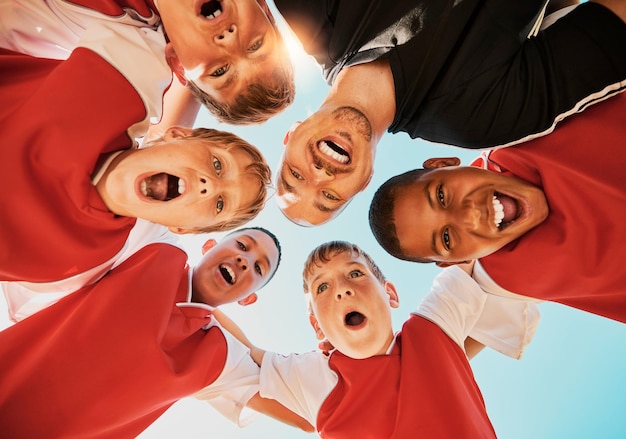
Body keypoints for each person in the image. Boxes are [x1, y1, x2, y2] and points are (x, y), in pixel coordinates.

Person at [272, 0, 626, 225]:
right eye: (329, 197)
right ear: (364, 181)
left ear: (291, 132)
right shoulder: (480, 119)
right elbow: (612, 22)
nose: (319, 176)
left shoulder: (311, 11)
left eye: (296, 176)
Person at [0, 227, 315, 437]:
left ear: (249, 298)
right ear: (209, 244)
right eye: (243, 246)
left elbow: (307, 416)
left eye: (259, 268)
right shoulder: (155, 248)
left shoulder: (219, 357)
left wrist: (253, 350)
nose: (246, 261)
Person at [0, 47, 271, 284]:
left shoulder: (82, 269)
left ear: (183, 229)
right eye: (217, 164)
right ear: (177, 135)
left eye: (220, 204)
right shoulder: (118, 80)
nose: (208, 185)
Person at [219, 241, 540, 437]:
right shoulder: (315, 375)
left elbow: (474, 250)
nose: (343, 289)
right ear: (318, 327)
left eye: (355, 273)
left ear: (390, 294)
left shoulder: (433, 325)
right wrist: (193, 298)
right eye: (322, 287)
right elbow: (243, 353)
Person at [369, 92, 626, 323]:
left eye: (442, 195)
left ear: (443, 163)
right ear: (458, 260)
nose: (470, 215)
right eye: (446, 238)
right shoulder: (504, 277)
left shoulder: (526, 126)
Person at [0, 0, 295, 125]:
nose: (230, 40)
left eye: (220, 71)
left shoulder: (112, 22)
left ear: (177, 64)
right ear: (265, 10)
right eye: (256, 46)